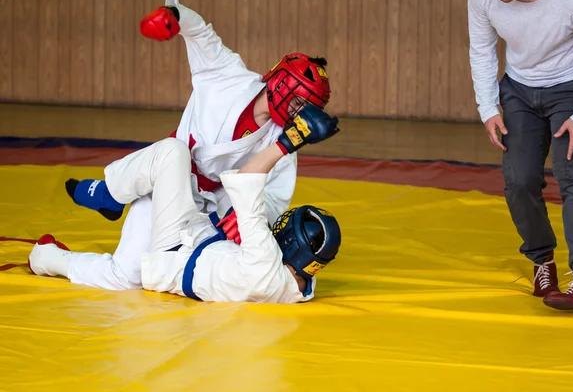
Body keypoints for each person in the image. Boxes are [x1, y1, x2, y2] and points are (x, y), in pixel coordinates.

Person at [63, 0, 332, 289]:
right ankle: (106, 198)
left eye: (306, 108)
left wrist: (244, 218)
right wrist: (174, 16)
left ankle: (61, 244)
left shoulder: (282, 145)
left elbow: (275, 198)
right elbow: (201, 33)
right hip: (166, 179)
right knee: (173, 153)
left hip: (207, 211)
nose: (297, 111)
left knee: (132, 278)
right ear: (280, 80)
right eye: (297, 100)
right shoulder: (227, 74)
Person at [28, 104, 342, 303]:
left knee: (121, 274)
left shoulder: (264, 263)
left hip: (172, 251)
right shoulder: (301, 283)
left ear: (291, 246)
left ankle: (58, 243)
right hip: (197, 233)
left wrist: (292, 139)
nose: (277, 229)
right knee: (178, 156)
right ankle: (106, 200)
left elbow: (249, 178)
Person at [468, 0, 573, 312]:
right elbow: (482, 50)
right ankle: (543, 261)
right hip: (519, 90)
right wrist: (487, 108)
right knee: (519, 179)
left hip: (572, 86)